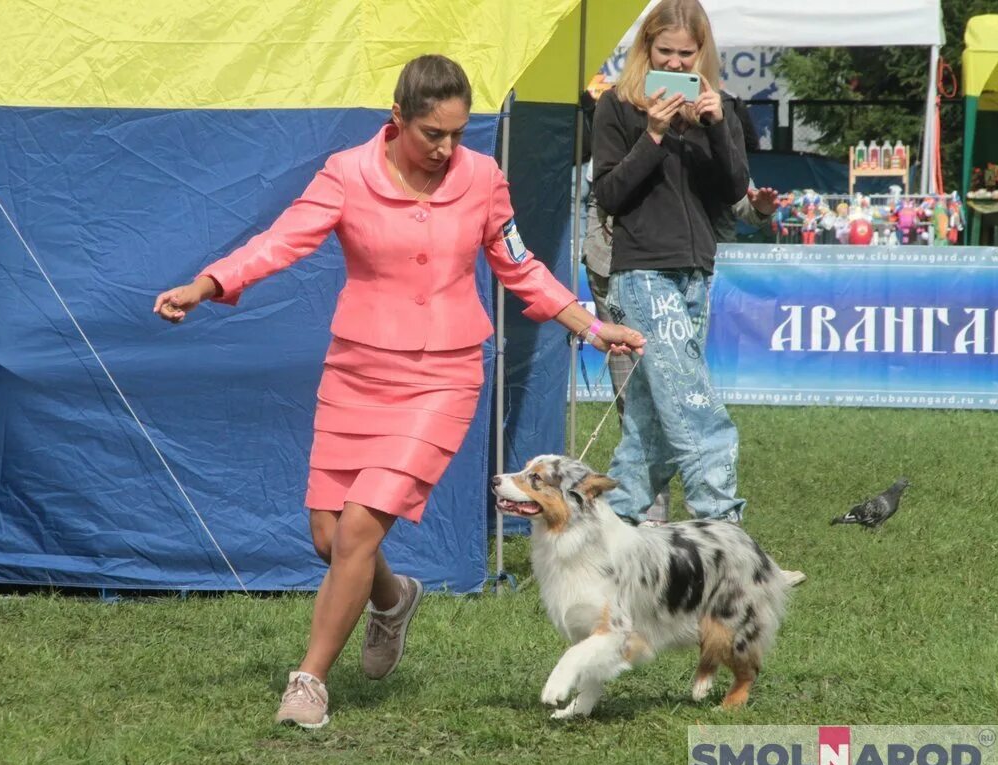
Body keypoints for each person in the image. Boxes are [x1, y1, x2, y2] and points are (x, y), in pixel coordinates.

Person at [154, 54, 646, 729]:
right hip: (357, 372)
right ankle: (392, 598)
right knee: (329, 539)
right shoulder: (346, 174)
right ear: (397, 120)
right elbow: (281, 242)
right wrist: (207, 285)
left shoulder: (482, 178)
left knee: (359, 527)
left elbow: (520, 265)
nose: (447, 149)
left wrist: (590, 326)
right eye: (432, 134)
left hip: (444, 375)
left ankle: (309, 682)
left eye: (458, 133)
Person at [590, 0, 748, 526]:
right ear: (646, 49)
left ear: (703, 52)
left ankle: (601, 537)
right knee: (694, 405)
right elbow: (609, 193)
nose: (678, 64)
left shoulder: (718, 107)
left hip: (697, 271)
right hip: (642, 273)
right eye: (666, 52)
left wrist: (719, 125)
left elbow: (732, 190)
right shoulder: (617, 106)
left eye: (688, 53)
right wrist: (653, 136)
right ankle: (723, 529)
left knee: (651, 425)